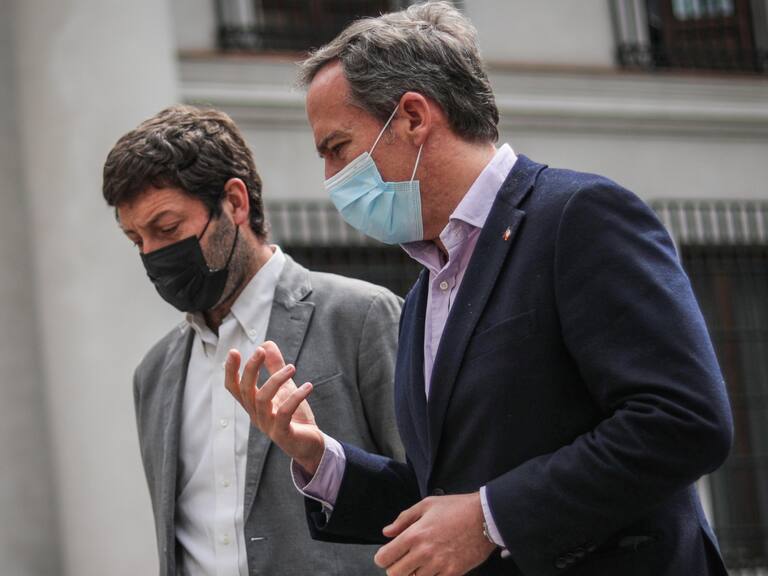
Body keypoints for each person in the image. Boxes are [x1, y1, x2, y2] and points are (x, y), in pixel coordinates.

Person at [225, 2, 735, 575]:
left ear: (414, 117)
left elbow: (684, 421)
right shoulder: (426, 290)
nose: (330, 178)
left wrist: (491, 518)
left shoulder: (579, 216)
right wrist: (320, 456)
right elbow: (443, 497)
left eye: (337, 147)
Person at [101, 105, 404, 576]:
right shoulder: (153, 374)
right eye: (136, 240)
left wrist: (320, 455)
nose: (153, 255)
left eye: (166, 228)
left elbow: (426, 496)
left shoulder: (361, 316)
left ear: (235, 203)